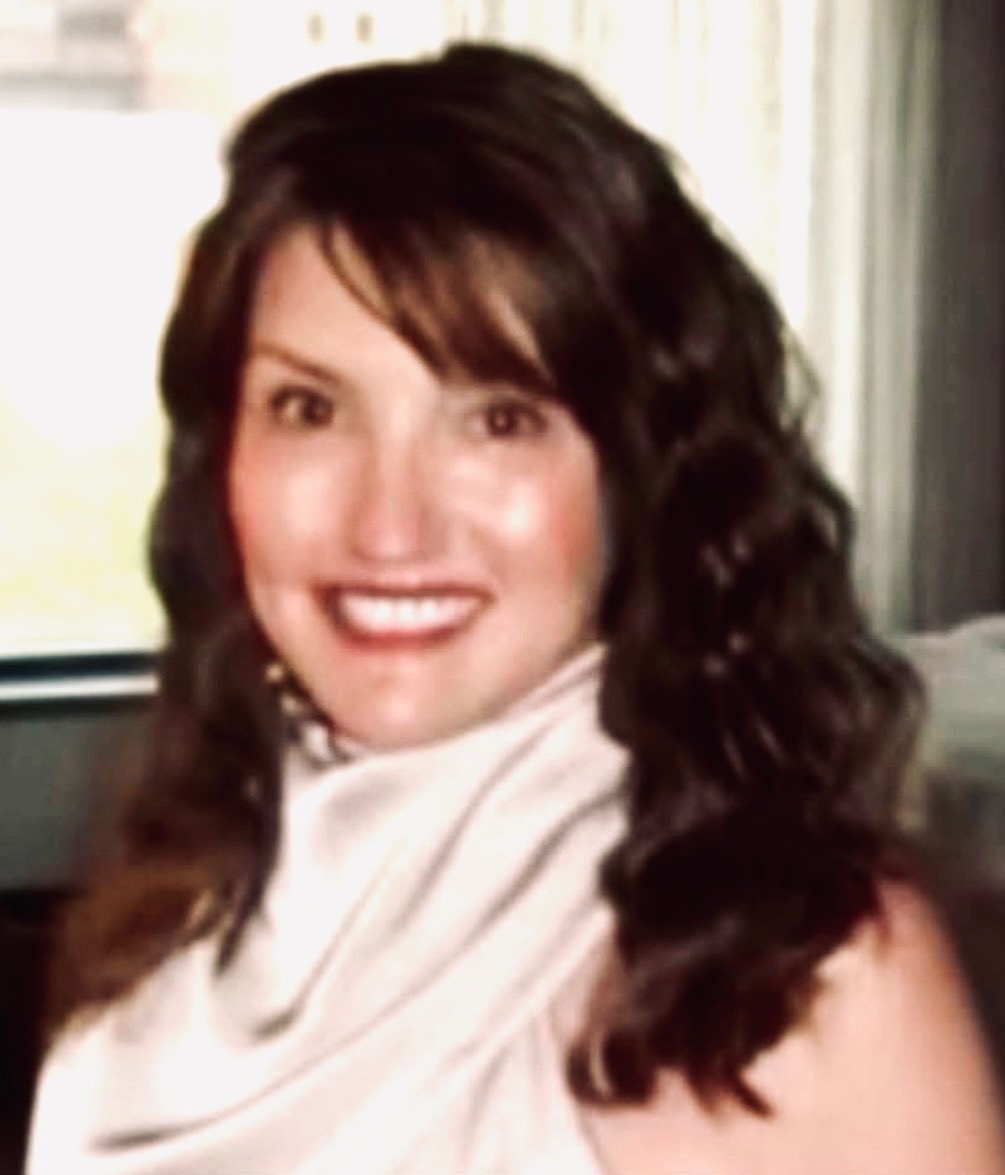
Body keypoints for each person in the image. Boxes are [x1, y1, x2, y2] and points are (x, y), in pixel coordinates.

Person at [26, 42, 1004, 1174]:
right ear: (222, 457)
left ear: (642, 472)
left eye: (499, 419)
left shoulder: (802, 985)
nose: (388, 526)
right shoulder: (184, 902)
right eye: (310, 408)